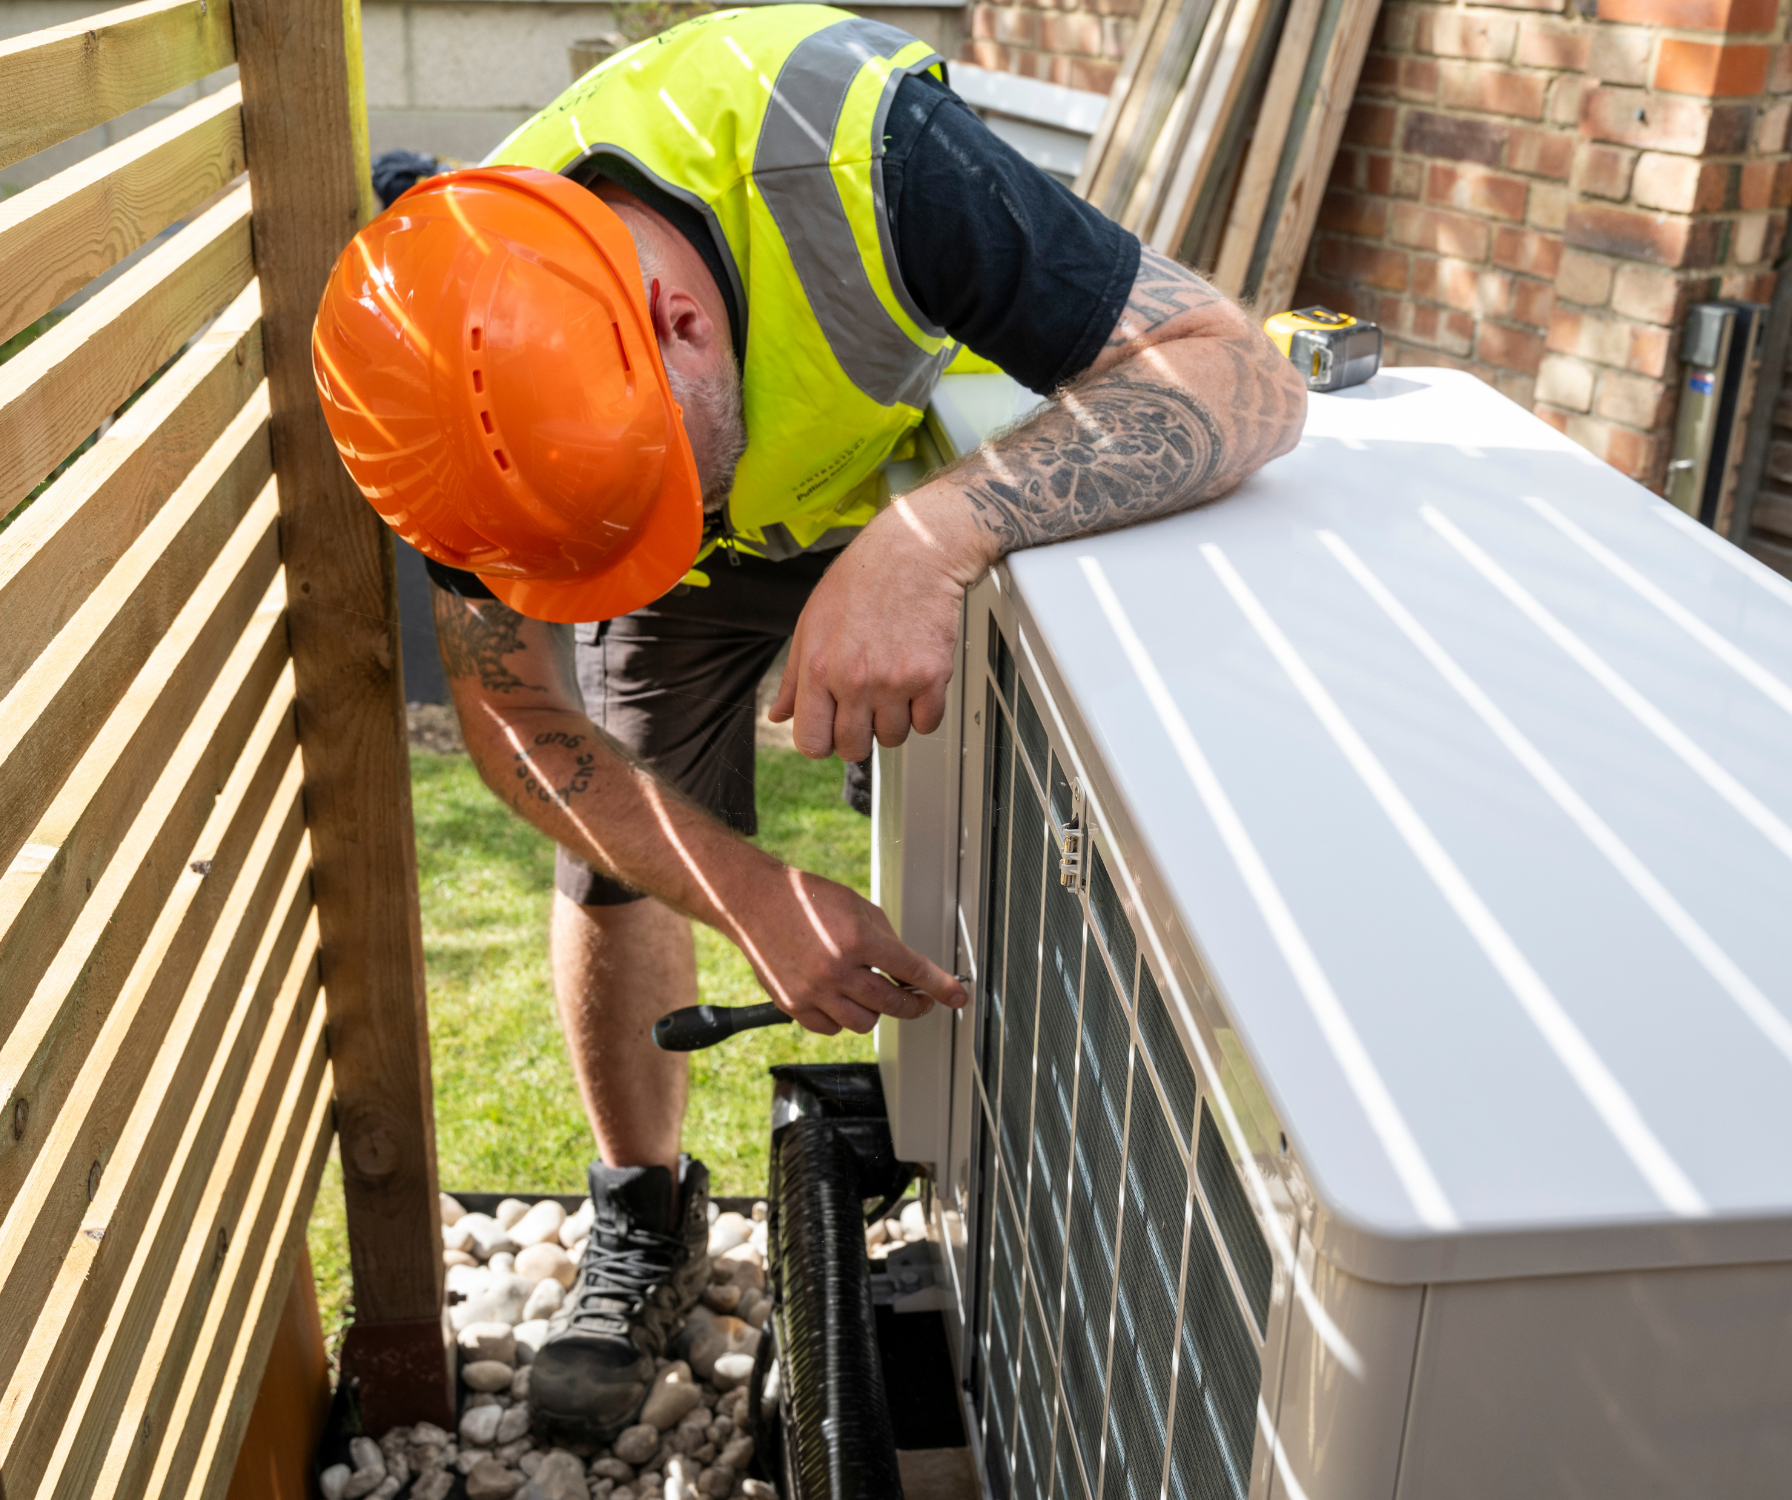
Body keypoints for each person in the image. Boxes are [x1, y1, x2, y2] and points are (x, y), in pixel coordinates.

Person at [313, 3, 1306, 1440]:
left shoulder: (868, 156)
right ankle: (641, 1214)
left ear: (682, 317)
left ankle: (1001, 1183)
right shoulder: (448, 374)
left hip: (936, 477)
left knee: (1011, 798)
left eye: (668, 498)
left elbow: (1238, 373)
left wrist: (925, 545)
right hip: (727, 526)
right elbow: (522, 711)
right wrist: (751, 894)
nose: (651, 553)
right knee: (619, 845)